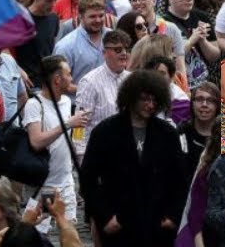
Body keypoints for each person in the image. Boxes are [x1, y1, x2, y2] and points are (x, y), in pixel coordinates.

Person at [80, 69, 189, 247]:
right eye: (145, 99)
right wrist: (104, 217)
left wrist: (173, 216)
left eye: (154, 100)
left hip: (157, 226)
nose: (150, 105)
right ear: (131, 98)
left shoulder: (167, 133)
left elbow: (179, 180)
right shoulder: (105, 131)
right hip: (119, 225)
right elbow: (88, 179)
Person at [25, 56, 86, 230]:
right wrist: (67, 124)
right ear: (57, 79)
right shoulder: (34, 104)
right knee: (39, 234)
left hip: (66, 181)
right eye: (69, 74)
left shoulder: (67, 102)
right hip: (45, 185)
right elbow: (36, 141)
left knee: (69, 232)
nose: (72, 78)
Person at [75, 29, 132, 154]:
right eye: (118, 50)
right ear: (104, 53)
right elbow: (79, 125)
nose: (124, 53)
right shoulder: (90, 82)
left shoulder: (132, 80)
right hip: (98, 152)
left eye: (127, 49)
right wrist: (81, 157)